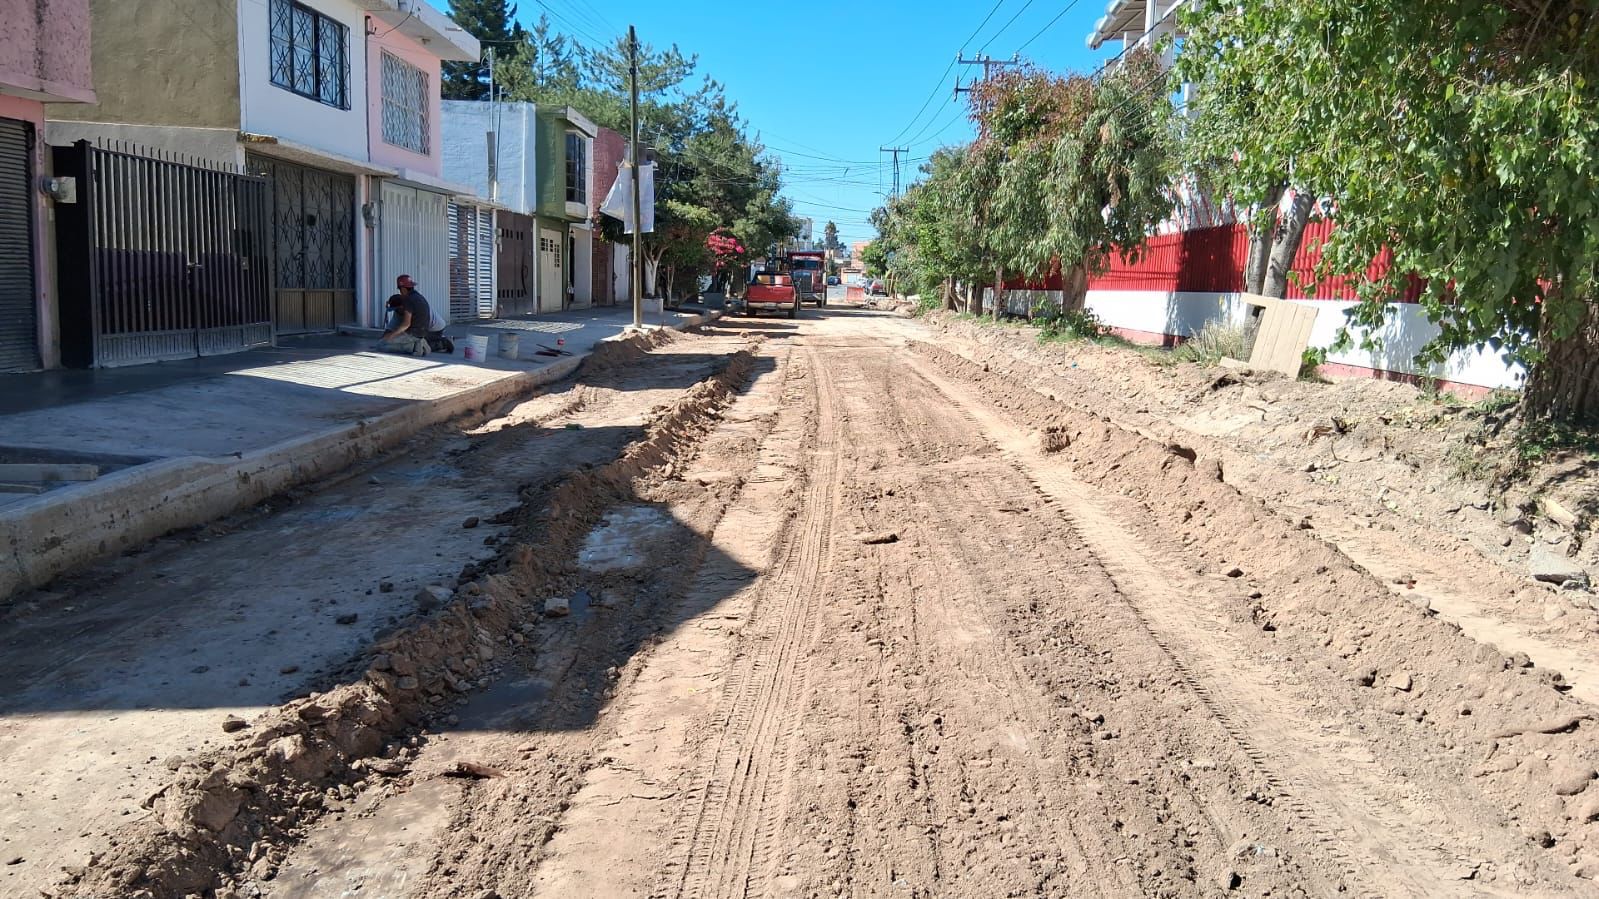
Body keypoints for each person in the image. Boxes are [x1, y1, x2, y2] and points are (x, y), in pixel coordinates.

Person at [376, 274, 453, 355]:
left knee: (381, 346)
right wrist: (386, 336)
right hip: (420, 332)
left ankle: (415, 347)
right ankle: (421, 344)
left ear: (403, 288)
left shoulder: (407, 301)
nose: (400, 291)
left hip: (429, 330)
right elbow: (392, 326)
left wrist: (391, 336)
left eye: (399, 289)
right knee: (388, 341)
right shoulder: (418, 296)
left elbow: (406, 324)